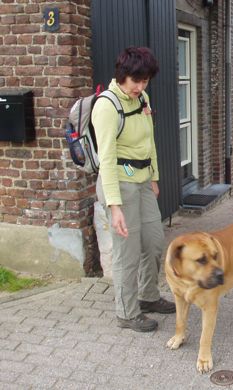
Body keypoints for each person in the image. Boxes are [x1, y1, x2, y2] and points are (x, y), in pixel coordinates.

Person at [92, 46, 176, 332]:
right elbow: (106, 160)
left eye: (145, 81)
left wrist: (154, 177)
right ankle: (127, 313)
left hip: (141, 181)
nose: (140, 87)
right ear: (122, 75)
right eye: (135, 81)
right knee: (126, 252)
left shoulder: (143, 98)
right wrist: (114, 207)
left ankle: (148, 297)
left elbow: (149, 141)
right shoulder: (107, 105)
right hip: (118, 184)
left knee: (153, 243)